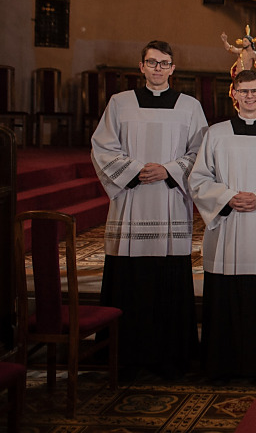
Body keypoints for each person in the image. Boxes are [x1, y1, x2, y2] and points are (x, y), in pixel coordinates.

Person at [91, 40, 208, 379]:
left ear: (173, 68)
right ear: (141, 66)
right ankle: (124, 356)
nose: (158, 68)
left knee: (168, 278)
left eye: (164, 63)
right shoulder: (119, 103)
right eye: (152, 62)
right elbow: (102, 147)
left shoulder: (190, 107)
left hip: (170, 201)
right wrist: (135, 170)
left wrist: (168, 170)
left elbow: (201, 153)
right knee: (129, 279)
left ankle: (172, 357)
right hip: (132, 200)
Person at [189, 69, 256, 384]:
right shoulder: (215, 134)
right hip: (228, 224)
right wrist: (227, 197)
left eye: (254, 91)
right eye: (243, 91)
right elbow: (199, 178)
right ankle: (221, 364)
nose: (249, 96)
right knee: (225, 295)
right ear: (233, 94)